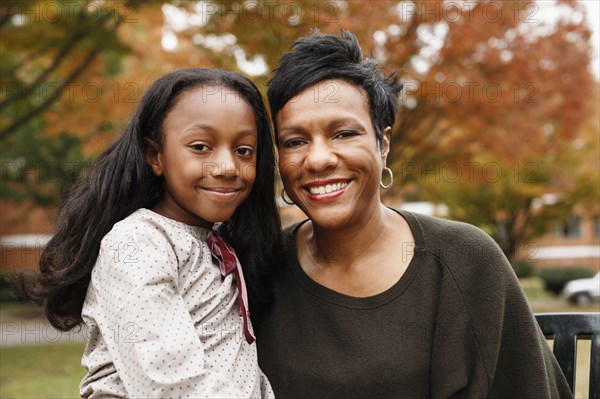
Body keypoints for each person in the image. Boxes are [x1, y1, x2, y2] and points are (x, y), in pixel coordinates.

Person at [256, 29, 573, 399]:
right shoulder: (258, 266)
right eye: (295, 142)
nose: (319, 159)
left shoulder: (465, 261)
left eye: (343, 134)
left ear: (383, 143)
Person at [16, 68, 281, 398]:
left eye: (244, 150)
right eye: (201, 146)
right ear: (155, 156)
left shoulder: (215, 243)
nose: (227, 166)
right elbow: (171, 383)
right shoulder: (138, 243)